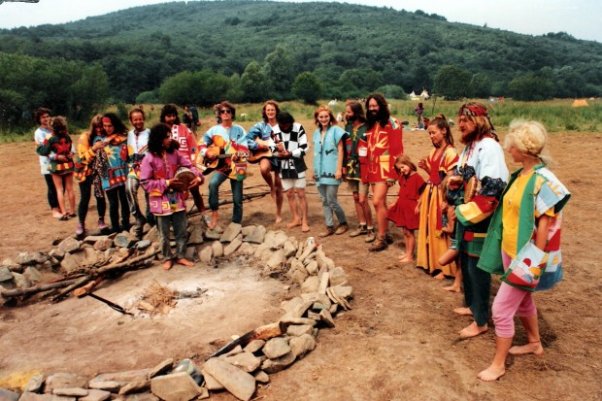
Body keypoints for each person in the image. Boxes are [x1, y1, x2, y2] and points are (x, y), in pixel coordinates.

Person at [475, 120, 570, 381]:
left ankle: (498, 364)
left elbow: (545, 224)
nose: (509, 150)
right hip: (510, 250)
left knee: (501, 310)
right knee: (524, 300)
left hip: (525, 256)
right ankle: (534, 342)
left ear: (524, 149)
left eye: (512, 146)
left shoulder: (543, 180)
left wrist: (533, 262)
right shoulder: (520, 176)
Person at [453, 102, 509, 339]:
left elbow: (493, 188)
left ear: (479, 121)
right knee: (466, 261)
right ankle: (473, 306)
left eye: (465, 120)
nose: (461, 125)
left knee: (477, 266)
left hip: (481, 216)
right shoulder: (469, 148)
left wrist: (464, 212)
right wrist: (454, 183)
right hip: (469, 213)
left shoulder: (489, 147)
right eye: (459, 121)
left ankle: (481, 320)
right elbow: (461, 176)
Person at [141, 123, 203, 270]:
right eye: (167, 136)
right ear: (159, 139)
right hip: (159, 199)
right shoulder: (149, 158)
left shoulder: (175, 153)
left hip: (176, 197)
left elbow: (190, 165)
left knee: (180, 228)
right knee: (164, 232)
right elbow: (145, 182)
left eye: (170, 136)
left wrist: (197, 176)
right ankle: (167, 257)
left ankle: (181, 256)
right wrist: (167, 182)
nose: (170, 139)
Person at [416, 115, 461, 288]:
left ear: (444, 131)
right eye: (429, 133)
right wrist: (427, 168)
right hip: (431, 192)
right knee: (430, 227)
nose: (431, 136)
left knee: (441, 229)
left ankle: (446, 268)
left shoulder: (450, 152)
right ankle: (432, 263)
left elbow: (449, 180)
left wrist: (446, 200)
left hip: (440, 195)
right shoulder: (433, 151)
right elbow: (435, 176)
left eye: (433, 133)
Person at [359, 93, 403, 251]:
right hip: (372, 169)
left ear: (381, 106)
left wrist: (393, 173)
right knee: (381, 203)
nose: (372, 109)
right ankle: (387, 233)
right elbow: (364, 149)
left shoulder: (393, 123)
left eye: (375, 106)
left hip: (386, 168)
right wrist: (364, 172)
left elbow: (398, 150)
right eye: (370, 106)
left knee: (377, 201)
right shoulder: (369, 125)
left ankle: (381, 237)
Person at [200, 101, 249, 229]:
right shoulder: (213, 130)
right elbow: (201, 144)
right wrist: (207, 152)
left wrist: (240, 154)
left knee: (238, 198)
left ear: (232, 114)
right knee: (212, 184)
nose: (226, 113)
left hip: (239, 165)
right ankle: (215, 213)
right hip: (222, 165)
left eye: (228, 111)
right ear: (219, 114)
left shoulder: (240, 129)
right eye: (223, 111)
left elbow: (246, 148)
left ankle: (236, 223)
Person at [160, 104, 205, 215]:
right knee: (173, 193)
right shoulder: (160, 132)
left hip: (187, 165)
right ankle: (178, 219)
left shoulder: (185, 129)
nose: (171, 118)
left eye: (173, 115)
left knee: (195, 191)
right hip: (169, 168)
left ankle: (203, 214)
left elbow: (193, 147)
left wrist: (194, 160)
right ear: (163, 117)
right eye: (168, 116)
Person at [312, 105, 348, 237]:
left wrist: (339, 169)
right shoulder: (316, 133)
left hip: (332, 171)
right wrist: (314, 170)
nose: (324, 119)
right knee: (324, 200)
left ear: (330, 117)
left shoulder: (336, 130)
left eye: (326, 116)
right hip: (319, 172)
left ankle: (343, 222)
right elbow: (316, 153)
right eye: (321, 117)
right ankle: (329, 226)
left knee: (331, 199)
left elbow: (341, 150)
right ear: (317, 118)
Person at [246, 100, 284, 223]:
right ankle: (270, 186)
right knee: (263, 169)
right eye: (268, 110)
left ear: (276, 111)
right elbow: (247, 139)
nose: (270, 112)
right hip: (266, 155)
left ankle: (278, 213)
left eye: (272, 110)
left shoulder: (283, 125)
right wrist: (259, 146)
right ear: (265, 112)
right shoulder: (260, 126)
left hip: (280, 156)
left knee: (279, 186)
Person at [272, 111, 310, 233]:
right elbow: (271, 147)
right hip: (283, 166)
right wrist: (278, 153)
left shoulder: (298, 127)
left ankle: (304, 221)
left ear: (291, 122)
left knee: (301, 193)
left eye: (287, 125)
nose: (285, 127)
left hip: (297, 164)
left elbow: (305, 147)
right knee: (289, 193)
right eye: (283, 125)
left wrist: (291, 153)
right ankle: (296, 218)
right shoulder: (274, 130)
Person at [343, 100, 375, 242]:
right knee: (355, 198)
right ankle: (362, 226)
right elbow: (344, 148)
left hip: (363, 167)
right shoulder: (347, 127)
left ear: (356, 113)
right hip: (350, 167)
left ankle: (370, 228)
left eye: (349, 112)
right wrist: (343, 165)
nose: (346, 114)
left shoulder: (368, 127)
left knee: (363, 199)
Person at [74, 114, 109, 236]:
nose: (99, 129)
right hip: (84, 171)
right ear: (92, 127)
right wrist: (93, 149)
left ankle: (101, 220)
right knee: (85, 197)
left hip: (99, 171)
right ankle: (81, 223)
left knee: (100, 195)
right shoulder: (85, 137)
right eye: (96, 127)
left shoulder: (106, 137)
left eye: (101, 127)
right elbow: (82, 158)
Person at [387, 155, 425, 263]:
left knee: (409, 232)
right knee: (405, 231)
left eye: (403, 167)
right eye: (400, 169)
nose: (402, 170)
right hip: (402, 206)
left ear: (409, 164)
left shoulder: (417, 178)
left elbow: (423, 193)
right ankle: (407, 252)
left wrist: (418, 205)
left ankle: (410, 255)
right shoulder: (403, 177)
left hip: (410, 207)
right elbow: (402, 191)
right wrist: (395, 203)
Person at [36, 116, 76, 220]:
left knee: (59, 189)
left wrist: (40, 146)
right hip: (68, 164)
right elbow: (71, 149)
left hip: (56, 165)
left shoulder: (50, 138)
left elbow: (43, 151)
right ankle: (72, 211)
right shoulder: (67, 137)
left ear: (52, 128)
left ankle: (63, 212)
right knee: (70, 189)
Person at [100, 113, 131, 233]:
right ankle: (115, 228)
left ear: (115, 125)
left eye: (110, 126)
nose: (107, 128)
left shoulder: (124, 138)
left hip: (123, 173)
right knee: (113, 203)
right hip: (108, 175)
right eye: (105, 125)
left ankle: (126, 224)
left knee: (124, 200)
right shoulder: (100, 140)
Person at [126, 107, 153, 239]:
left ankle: (151, 216)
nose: (138, 122)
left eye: (140, 119)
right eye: (135, 119)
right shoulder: (128, 134)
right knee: (129, 188)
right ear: (131, 121)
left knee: (149, 192)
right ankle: (138, 217)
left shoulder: (150, 133)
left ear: (144, 119)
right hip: (133, 167)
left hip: (148, 167)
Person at [33, 107, 61, 219]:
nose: (46, 119)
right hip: (48, 162)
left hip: (59, 160)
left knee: (60, 185)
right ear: (39, 119)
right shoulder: (38, 133)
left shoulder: (54, 129)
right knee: (52, 185)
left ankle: (60, 207)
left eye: (48, 116)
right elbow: (43, 150)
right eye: (43, 117)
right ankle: (54, 209)